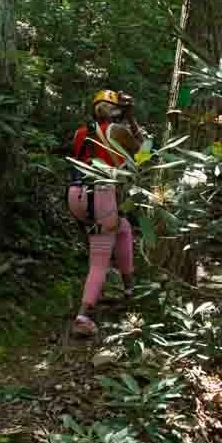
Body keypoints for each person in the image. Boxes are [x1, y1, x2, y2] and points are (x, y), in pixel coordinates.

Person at [66, 90, 143, 339]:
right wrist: (131, 120)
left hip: (76, 194)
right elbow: (144, 154)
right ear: (116, 110)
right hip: (102, 194)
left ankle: (130, 288)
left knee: (123, 228)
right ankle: (83, 316)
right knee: (99, 258)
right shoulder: (118, 131)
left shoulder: (80, 132)